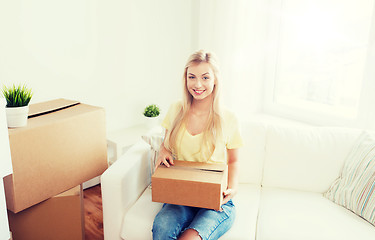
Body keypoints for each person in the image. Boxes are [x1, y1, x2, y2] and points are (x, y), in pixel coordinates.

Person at [152, 50, 243, 240]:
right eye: (191, 77)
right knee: (162, 230)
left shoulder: (228, 118)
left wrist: (232, 189)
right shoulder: (176, 109)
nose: (198, 84)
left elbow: (233, 161)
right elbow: (165, 145)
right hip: (181, 195)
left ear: (215, 80)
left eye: (205, 77)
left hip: (216, 200)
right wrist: (164, 151)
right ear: (185, 79)